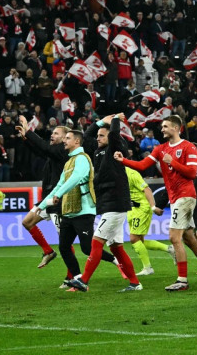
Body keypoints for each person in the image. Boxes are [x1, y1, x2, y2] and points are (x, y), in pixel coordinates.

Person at [116, 115, 197, 292]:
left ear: (176, 128)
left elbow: (191, 173)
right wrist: (123, 161)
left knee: (174, 237)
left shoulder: (188, 147)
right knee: (189, 238)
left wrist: (172, 162)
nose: (162, 129)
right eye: (162, 127)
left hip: (186, 195)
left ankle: (182, 280)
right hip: (175, 198)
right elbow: (143, 165)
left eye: (165, 126)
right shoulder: (160, 149)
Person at [35, 130, 121, 290]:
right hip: (69, 211)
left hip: (84, 210)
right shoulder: (68, 162)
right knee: (64, 246)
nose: (64, 141)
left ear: (77, 142)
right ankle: (77, 279)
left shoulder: (82, 159)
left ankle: (117, 261)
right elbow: (59, 185)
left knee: (87, 248)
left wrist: (58, 195)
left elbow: (75, 179)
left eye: (67, 138)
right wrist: (41, 206)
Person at [67, 115, 142, 292]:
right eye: (98, 135)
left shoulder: (115, 148)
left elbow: (115, 133)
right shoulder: (97, 151)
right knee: (116, 248)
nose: (98, 138)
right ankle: (135, 283)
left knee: (96, 241)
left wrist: (115, 119)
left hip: (115, 204)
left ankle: (83, 281)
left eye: (102, 135)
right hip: (107, 204)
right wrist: (100, 123)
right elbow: (86, 137)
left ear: (110, 137)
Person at [16, 117, 69, 269]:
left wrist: (28, 130)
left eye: (57, 133)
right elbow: (40, 151)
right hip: (48, 199)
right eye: (52, 132)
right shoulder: (53, 153)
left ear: (65, 138)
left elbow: (44, 148)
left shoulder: (62, 151)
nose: (52, 135)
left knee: (64, 241)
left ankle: (72, 276)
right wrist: (26, 138)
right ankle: (48, 251)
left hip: (58, 200)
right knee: (27, 222)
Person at [126, 167, 174, 276]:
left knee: (134, 238)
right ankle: (169, 249)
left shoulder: (132, 173)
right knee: (140, 241)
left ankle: (147, 268)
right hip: (131, 209)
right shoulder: (116, 174)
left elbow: (147, 189)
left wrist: (153, 207)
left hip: (141, 208)